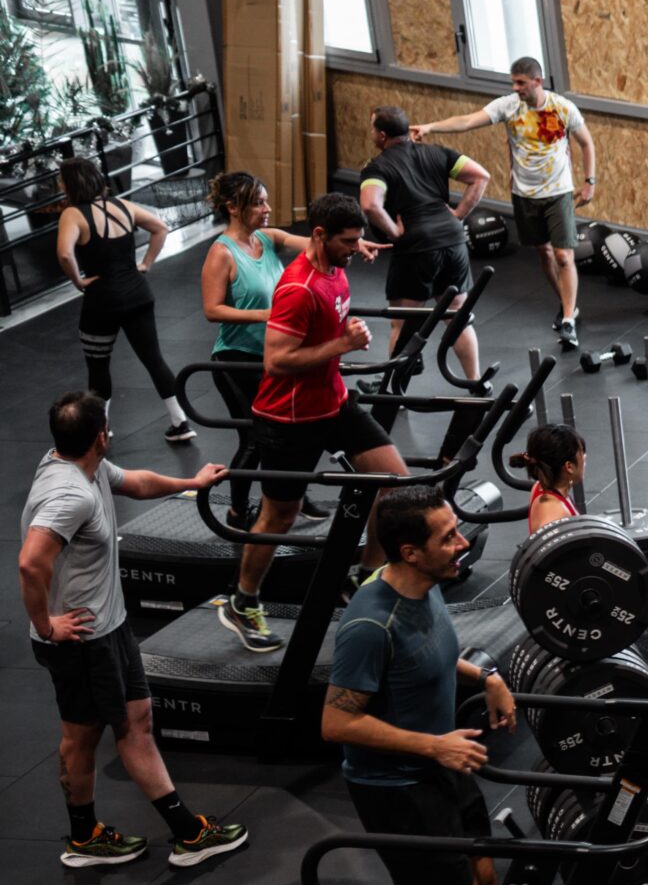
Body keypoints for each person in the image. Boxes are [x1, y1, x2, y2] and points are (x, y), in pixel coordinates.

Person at [301, 486, 517, 885]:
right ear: (410, 552)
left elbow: (430, 656)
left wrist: (486, 677)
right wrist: (433, 747)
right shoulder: (370, 626)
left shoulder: (424, 586)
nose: (462, 543)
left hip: (442, 765)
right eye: (448, 537)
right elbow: (336, 723)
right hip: (397, 788)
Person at [19, 392, 249, 870]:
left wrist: (192, 482)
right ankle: (114, 837)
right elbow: (30, 562)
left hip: (109, 627)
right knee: (84, 737)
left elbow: (134, 482)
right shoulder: (71, 495)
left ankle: (168, 833)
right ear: (101, 437)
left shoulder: (80, 464)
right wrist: (46, 625)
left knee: (136, 719)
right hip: (83, 640)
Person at [219, 191, 409, 655]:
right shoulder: (297, 288)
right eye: (348, 241)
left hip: (333, 403)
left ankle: (364, 579)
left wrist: (343, 329)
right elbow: (276, 361)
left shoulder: (335, 264)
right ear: (321, 235)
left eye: (357, 240)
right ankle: (242, 602)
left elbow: (328, 312)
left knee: (394, 483)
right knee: (279, 516)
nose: (354, 249)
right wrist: (341, 345)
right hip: (288, 418)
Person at [198, 172, 379, 527]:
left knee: (287, 435)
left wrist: (354, 244)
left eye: (266, 201)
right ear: (233, 208)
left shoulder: (267, 238)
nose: (267, 209)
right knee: (255, 437)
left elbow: (319, 240)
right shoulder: (221, 253)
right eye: (258, 203)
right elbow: (212, 309)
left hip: (274, 354)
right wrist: (268, 314)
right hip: (236, 358)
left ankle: (291, 494)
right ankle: (238, 510)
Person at [414, 56, 596, 347]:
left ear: (537, 81)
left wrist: (589, 182)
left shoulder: (562, 108)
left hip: (559, 192)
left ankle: (567, 321)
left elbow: (586, 143)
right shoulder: (508, 106)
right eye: (513, 83)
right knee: (545, 254)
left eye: (521, 83)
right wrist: (431, 127)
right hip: (525, 194)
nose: (515, 88)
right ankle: (567, 306)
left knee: (563, 256)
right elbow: (468, 121)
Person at [52, 155, 190, 443]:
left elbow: (65, 254)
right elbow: (160, 228)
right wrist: (145, 264)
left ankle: (100, 430)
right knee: (154, 359)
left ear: (70, 184)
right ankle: (180, 422)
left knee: (98, 366)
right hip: (138, 294)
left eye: (61, 181)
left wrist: (78, 281)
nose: (60, 185)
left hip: (102, 300)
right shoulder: (123, 206)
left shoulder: (73, 214)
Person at [357, 106, 489, 384]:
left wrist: (394, 232)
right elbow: (481, 176)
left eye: (372, 129)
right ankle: (477, 383)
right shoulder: (437, 153)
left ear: (382, 135)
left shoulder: (377, 166)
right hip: (453, 241)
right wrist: (458, 214)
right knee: (457, 318)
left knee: (402, 322)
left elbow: (370, 205)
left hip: (416, 248)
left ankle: (392, 389)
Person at [514, 423, 585, 535]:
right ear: (569, 467)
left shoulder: (541, 486)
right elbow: (547, 545)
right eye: (581, 452)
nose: (585, 457)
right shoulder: (554, 511)